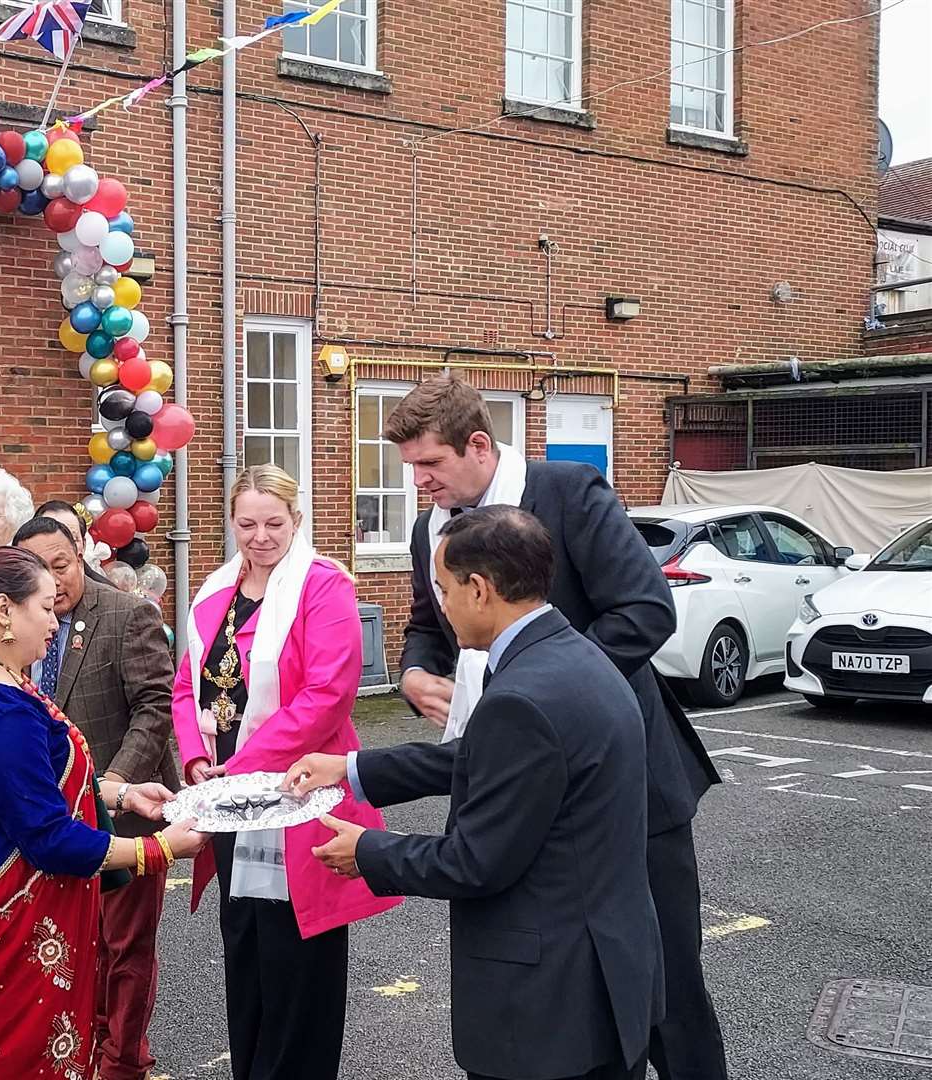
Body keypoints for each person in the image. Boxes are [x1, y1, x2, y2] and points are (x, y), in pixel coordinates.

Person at [385, 377, 725, 1080]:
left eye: (430, 466)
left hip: (628, 787)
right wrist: (414, 672)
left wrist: (547, 697)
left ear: (478, 445)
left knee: (663, 991)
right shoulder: (432, 527)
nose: (419, 484)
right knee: (554, 981)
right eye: (412, 470)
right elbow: (426, 626)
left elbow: (645, 609)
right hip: (511, 774)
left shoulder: (570, 490)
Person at [292, 507, 663, 1080]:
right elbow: (488, 760)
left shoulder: (521, 697)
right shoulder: (575, 656)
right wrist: (352, 767)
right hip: (605, 979)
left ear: (480, 590)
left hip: (546, 1011)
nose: (440, 605)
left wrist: (367, 852)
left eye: (443, 589)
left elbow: (475, 862)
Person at [0, 546, 207, 1079]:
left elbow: (27, 791)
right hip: (12, 938)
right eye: (45, 608)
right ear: (4, 610)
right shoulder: (3, 716)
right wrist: (160, 849)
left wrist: (121, 796)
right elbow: (50, 839)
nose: (55, 621)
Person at [172, 464, 401, 1080]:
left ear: (297, 522)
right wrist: (195, 754)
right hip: (230, 797)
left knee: (299, 960)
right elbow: (187, 683)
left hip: (297, 794)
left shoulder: (324, 585)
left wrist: (240, 768)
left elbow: (329, 693)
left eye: (274, 523)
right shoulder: (216, 589)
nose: (260, 536)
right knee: (244, 950)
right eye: (246, 523)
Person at [13, 516, 180, 1080]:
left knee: (125, 948)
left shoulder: (127, 614)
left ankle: (124, 1059)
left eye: (62, 566)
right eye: (41, 571)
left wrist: (112, 787)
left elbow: (155, 710)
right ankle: (86, 1041)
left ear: (81, 552)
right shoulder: (17, 626)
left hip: (127, 813)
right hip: (57, 823)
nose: (55, 582)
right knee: (77, 946)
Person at [37, 498, 113, 584]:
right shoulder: (22, 586)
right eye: (52, 538)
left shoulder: (107, 594)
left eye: (73, 539)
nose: (62, 546)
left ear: (84, 545)